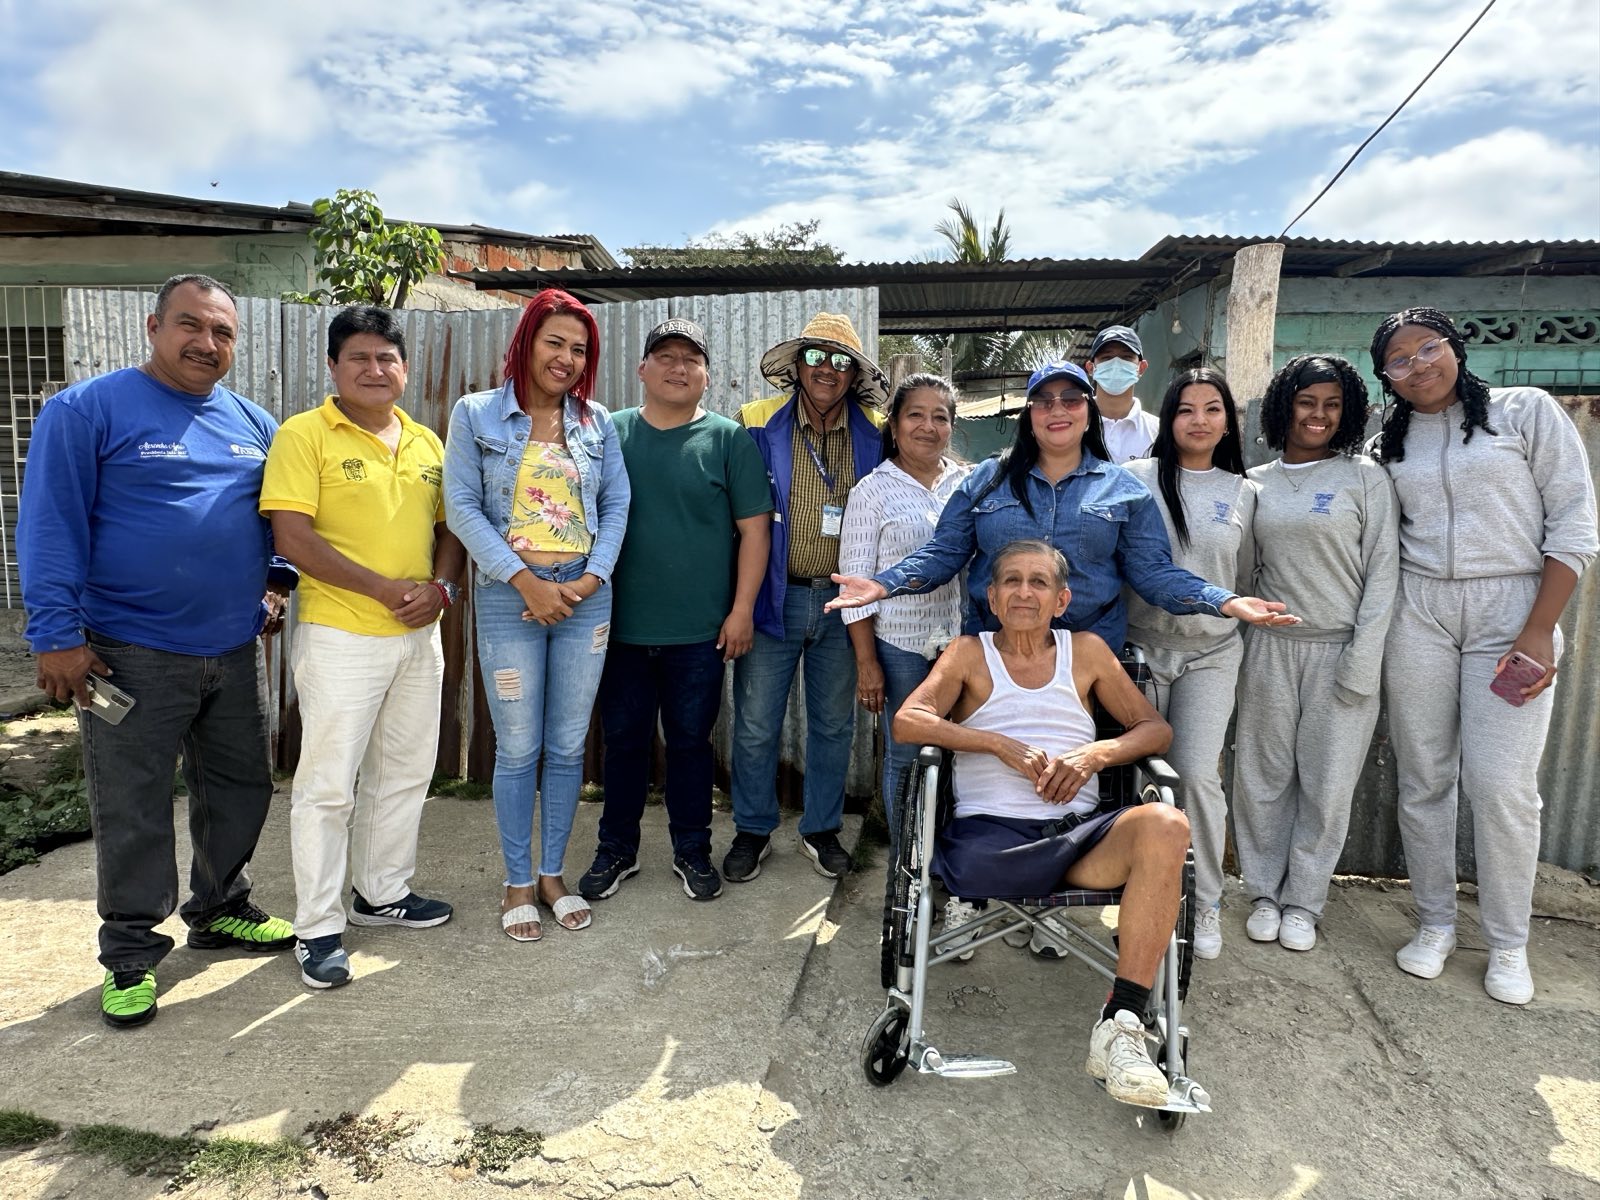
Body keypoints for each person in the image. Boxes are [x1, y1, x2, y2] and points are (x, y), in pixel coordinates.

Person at [18, 274, 298, 1028]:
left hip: (233, 648)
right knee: (133, 803)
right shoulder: (87, 410)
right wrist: (56, 636)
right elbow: (50, 525)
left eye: (222, 332)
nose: (206, 343)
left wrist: (277, 586)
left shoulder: (254, 422)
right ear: (154, 326)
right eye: (190, 325)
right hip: (126, 652)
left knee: (241, 787)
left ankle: (221, 907)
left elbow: (282, 520)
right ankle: (131, 952)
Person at [894, 539, 1185, 1108]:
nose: (1024, 592)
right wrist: (996, 743)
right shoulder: (969, 653)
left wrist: (1094, 756)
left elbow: (1155, 729)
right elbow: (908, 720)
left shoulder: (1088, 651)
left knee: (1167, 824)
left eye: (1039, 582)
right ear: (992, 597)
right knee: (966, 858)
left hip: (1079, 837)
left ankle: (1122, 1024)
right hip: (992, 842)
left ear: (1061, 599)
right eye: (1011, 581)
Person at [1370, 307, 1596, 1005]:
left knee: (1502, 786)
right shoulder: (1388, 442)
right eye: (1399, 360)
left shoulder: (1523, 412)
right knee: (1425, 778)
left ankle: (1507, 941)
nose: (1417, 366)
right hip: (1420, 613)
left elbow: (1574, 520)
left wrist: (1540, 628)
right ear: (1385, 377)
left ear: (1455, 348)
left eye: (1428, 348)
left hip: (1513, 611)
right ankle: (1435, 922)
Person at [261, 305, 466, 989]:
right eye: (359, 357)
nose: (375, 369)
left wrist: (441, 589)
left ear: (404, 368)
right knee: (328, 786)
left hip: (419, 636)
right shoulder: (304, 435)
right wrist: (384, 590)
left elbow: (450, 529)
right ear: (334, 366)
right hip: (342, 635)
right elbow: (292, 538)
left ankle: (382, 893)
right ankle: (318, 927)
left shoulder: (427, 442)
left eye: (387, 358)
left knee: (405, 771)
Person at [828, 361, 1296, 649]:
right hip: (995, 649)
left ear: (1088, 412)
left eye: (1071, 399)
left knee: (1076, 769)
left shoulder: (1123, 489)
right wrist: (883, 584)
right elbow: (945, 552)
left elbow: (1153, 573)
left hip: (1088, 655)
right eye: (1044, 401)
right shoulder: (985, 480)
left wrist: (1225, 600)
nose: (1057, 410)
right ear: (1029, 415)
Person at [443, 289, 630, 941]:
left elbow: (616, 505)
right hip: (509, 598)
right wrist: (527, 583)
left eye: (579, 349)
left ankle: (553, 875)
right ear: (526, 341)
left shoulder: (596, 423)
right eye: (555, 342)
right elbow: (462, 506)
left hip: (585, 599)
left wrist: (588, 580)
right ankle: (517, 880)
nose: (566, 358)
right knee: (519, 745)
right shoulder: (476, 414)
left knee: (568, 743)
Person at [576, 319, 772, 903]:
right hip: (620, 627)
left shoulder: (728, 440)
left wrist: (741, 610)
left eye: (691, 359)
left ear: (707, 375)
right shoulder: (609, 433)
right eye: (665, 356)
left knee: (690, 742)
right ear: (642, 369)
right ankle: (618, 848)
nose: (678, 367)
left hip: (699, 632)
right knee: (623, 742)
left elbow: (755, 531)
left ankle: (692, 848)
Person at [1231, 355, 1399, 954]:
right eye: (1307, 402)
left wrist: (1363, 660)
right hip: (1270, 650)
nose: (1318, 415)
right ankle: (1263, 894)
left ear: (1348, 412)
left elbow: (1384, 574)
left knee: (1326, 786)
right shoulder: (1255, 482)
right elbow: (1243, 572)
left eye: (1332, 404)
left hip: (1340, 650)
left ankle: (1304, 901)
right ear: (1285, 407)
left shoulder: (1365, 479)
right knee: (1262, 779)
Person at [724, 312, 887, 884]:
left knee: (834, 726)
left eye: (842, 361)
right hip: (775, 597)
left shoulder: (878, 431)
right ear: (797, 365)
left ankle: (821, 830)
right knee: (755, 724)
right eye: (816, 356)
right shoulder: (754, 422)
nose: (827, 369)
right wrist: (736, 603)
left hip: (845, 606)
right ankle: (752, 830)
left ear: (854, 375)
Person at [1122, 368, 1258, 960]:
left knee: (1197, 775)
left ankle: (1204, 901)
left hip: (1212, 653)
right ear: (1169, 418)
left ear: (1228, 421)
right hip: (1139, 652)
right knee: (1136, 778)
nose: (1198, 420)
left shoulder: (1244, 492)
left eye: (1212, 409)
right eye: (1185, 409)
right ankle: (1136, 894)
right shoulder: (1135, 478)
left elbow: (1244, 575)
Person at [838, 373, 970, 841]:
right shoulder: (871, 491)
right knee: (907, 753)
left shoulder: (968, 483)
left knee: (962, 753)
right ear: (894, 424)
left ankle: (949, 857)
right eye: (916, 415)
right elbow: (855, 584)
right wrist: (867, 662)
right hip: (901, 647)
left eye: (940, 417)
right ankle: (907, 861)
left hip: (962, 645)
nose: (928, 427)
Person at [1084, 325, 1159, 464]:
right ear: (1091, 368)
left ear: (1141, 368)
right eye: (1106, 357)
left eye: (1126, 357)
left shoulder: (1158, 432)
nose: (1116, 364)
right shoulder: (1076, 426)